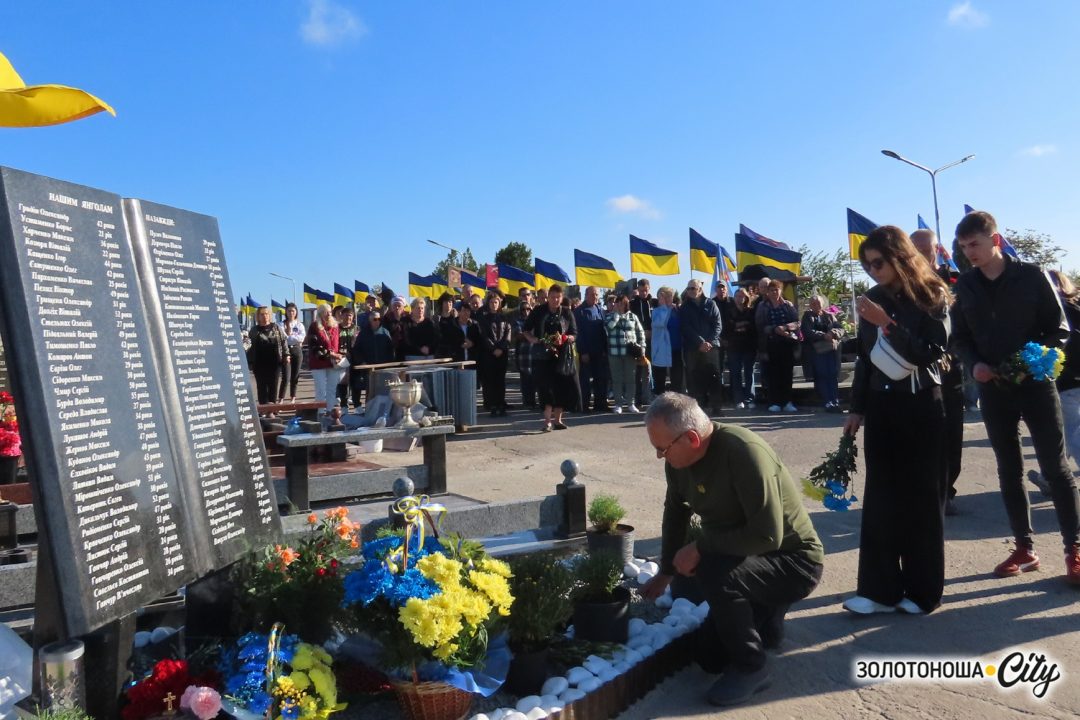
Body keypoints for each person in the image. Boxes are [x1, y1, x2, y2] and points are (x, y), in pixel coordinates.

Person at [641, 392, 823, 706]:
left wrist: (700, 546)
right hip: (747, 558)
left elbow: (768, 537)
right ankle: (768, 616)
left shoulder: (743, 453)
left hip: (793, 562)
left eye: (662, 449)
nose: (659, 456)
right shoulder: (678, 463)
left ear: (692, 439)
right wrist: (666, 571)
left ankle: (753, 667)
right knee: (710, 657)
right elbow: (675, 514)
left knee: (712, 568)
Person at [952, 211, 1080, 583]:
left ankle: (1074, 549)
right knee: (1008, 469)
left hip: (1036, 384)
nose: (969, 253)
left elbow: (1059, 329)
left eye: (974, 244)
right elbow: (960, 337)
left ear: (995, 240)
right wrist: (974, 363)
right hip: (993, 390)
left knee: (1055, 468)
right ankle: (1024, 548)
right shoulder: (966, 285)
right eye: (963, 247)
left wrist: (1026, 362)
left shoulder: (1032, 276)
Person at [841, 226, 952, 615]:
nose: (872, 271)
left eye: (878, 263)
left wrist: (886, 323)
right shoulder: (871, 298)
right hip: (881, 405)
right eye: (867, 265)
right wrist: (856, 408)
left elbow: (931, 352)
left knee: (922, 499)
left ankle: (923, 592)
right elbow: (865, 359)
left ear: (899, 256)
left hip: (922, 405)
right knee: (881, 498)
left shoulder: (932, 294)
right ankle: (878, 590)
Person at [912, 227, 966, 515]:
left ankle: (946, 491)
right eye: (916, 250)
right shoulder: (902, 284)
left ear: (937, 249)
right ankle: (922, 491)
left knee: (951, 432)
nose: (921, 255)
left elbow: (964, 322)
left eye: (926, 249)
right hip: (915, 368)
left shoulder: (954, 280)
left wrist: (956, 353)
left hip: (948, 368)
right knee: (919, 435)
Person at [523, 284, 580, 432]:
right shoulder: (538, 311)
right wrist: (534, 340)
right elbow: (526, 329)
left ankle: (558, 420)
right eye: (552, 297)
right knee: (546, 388)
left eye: (558, 297)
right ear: (548, 297)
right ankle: (547, 421)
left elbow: (574, 333)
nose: (555, 300)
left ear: (562, 298)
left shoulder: (567, 312)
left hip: (562, 355)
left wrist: (567, 338)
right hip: (543, 356)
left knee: (561, 387)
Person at [680, 279, 724, 416]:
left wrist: (709, 342)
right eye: (688, 288)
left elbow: (718, 325)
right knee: (694, 378)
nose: (690, 291)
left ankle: (717, 408)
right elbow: (685, 327)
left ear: (700, 289)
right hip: (693, 348)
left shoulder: (711, 304)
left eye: (693, 288)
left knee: (714, 377)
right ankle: (697, 409)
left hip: (712, 347)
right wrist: (700, 342)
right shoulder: (684, 307)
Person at [755, 280, 799, 413]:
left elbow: (797, 322)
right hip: (771, 344)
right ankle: (774, 402)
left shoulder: (788, 305)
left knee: (787, 374)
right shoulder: (763, 306)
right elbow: (759, 325)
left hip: (787, 343)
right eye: (772, 290)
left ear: (781, 290)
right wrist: (774, 329)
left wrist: (785, 327)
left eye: (777, 289)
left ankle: (787, 402)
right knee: (773, 374)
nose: (774, 292)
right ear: (767, 292)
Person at [801, 295, 843, 412]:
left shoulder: (829, 315)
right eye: (813, 303)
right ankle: (827, 402)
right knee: (822, 375)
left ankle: (835, 401)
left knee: (832, 375)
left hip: (831, 350)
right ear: (810, 305)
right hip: (817, 352)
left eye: (818, 303)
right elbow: (808, 331)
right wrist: (824, 335)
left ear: (822, 304)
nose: (816, 305)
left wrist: (833, 333)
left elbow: (840, 328)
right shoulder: (807, 316)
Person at [605, 294, 647, 414]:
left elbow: (640, 333)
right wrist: (616, 316)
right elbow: (609, 328)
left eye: (622, 303)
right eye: (617, 303)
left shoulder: (633, 317)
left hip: (630, 353)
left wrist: (642, 347)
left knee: (630, 378)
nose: (619, 305)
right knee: (617, 379)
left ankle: (631, 403)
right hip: (614, 352)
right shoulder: (609, 316)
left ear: (626, 304)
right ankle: (618, 404)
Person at [574, 286, 610, 412]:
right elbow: (578, 333)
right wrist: (583, 351)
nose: (595, 297)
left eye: (597, 294)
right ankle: (584, 405)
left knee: (601, 379)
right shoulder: (579, 311)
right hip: (586, 352)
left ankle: (600, 404)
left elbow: (603, 330)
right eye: (592, 294)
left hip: (600, 351)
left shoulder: (600, 309)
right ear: (586, 295)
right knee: (585, 381)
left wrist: (605, 349)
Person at [248, 306, 289, 415]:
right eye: (262, 314)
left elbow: (284, 341)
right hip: (259, 363)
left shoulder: (276, 327)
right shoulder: (254, 330)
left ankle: (272, 409)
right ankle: (263, 410)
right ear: (258, 316)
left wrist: (286, 355)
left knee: (273, 386)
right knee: (261, 386)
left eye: (266, 314)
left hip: (274, 362)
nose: (265, 316)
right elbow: (249, 345)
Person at [306, 303, 344, 417]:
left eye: (330, 312)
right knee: (321, 389)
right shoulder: (314, 326)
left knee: (332, 389)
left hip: (333, 362)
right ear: (320, 313)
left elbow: (339, 344)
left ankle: (330, 411)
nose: (328, 314)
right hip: (319, 362)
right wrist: (330, 354)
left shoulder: (335, 326)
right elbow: (314, 346)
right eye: (325, 312)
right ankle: (321, 412)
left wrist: (340, 355)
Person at [478, 290, 512, 416]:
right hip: (489, 354)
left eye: (496, 302)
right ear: (488, 304)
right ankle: (492, 405)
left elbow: (507, 335)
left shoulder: (504, 318)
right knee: (490, 380)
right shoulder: (484, 319)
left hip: (502, 354)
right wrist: (493, 349)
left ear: (499, 303)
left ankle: (500, 404)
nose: (494, 304)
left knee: (500, 380)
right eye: (492, 302)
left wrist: (501, 348)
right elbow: (484, 336)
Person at [352, 309, 394, 404]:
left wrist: (389, 365)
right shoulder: (363, 333)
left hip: (383, 369)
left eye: (379, 319)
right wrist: (362, 361)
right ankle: (369, 410)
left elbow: (391, 351)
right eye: (375, 319)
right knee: (370, 392)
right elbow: (357, 350)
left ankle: (382, 410)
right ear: (370, 320)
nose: (377, 321)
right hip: (368, 369)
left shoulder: (385, 332)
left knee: (384, 391)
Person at [726, 289, 758, 409]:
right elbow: (728, 326)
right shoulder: (729, 311)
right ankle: (738, 399)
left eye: (742, 296)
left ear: (746, 298)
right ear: (734, 298)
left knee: (749, 373)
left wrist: (738, 325)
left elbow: (753, 326)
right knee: (736, 373)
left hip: (749, 346)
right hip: (734, 347)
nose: (740, 298)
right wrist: (742, 324)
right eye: (737, 296)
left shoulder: (751, 311)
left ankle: (750, 398)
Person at [629, 279, 654, 407]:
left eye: (646, 290)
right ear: (638, 290)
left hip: (651, 341)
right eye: (641, 290)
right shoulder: (632, 304)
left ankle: (648, 397)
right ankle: (637, 399)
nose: (644, 293)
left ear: (649, 289)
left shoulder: (654, 302)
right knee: (637, 371)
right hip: (637, 342)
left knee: (648, 371)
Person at [512, 287, 538, 409]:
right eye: (523, 295)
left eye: (528, 294)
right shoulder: (515, 317)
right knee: (526, 380)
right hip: (523, 354)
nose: (526, 311)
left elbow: (540, 332)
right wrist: (531, 334)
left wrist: (528, 334)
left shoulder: (537, 314)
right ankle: (528, 402)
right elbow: (518, 335)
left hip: (536, 353)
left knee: (536, 379)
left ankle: (537, 402)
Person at [650, 287, 677, 396]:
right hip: (660, 349)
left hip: (675, 348)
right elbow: (660, 323)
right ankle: (659, 400)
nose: (668, 299)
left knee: (676, 379)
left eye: (670, 296)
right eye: (664, 296)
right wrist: (665, 307)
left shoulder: (677, 310)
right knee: (659, 378)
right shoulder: (656, 312)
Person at [278, 302, 305, 402]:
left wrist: (290, 336)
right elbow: (282, 338)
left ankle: (293, 397)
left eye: (293, 311)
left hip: (297, 350)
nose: (291, 313)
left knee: (295, 375)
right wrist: (292, 337)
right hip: (286, 351)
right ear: (286, 312)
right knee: (286, 376)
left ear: (296, 312)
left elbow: (301, 338)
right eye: (289, 311)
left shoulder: (299, 325)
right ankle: (281, 399)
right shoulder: (281, 324)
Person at [336, 307, 359, 411]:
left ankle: (357, 404)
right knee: (343, 382)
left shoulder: (356, 329)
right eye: (346, 315)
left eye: (350, 315)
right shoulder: (336, 328)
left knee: (355, 382)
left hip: (354, 358)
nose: (348, 317)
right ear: (342, 316)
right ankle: (344, 405)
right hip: (341, 358)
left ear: (353, 317)